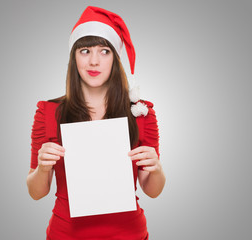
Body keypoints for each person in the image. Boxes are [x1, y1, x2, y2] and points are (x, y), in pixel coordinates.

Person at [26, 6, 166, 240]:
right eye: (85, 51)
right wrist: (42, 167)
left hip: (129, 234)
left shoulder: (141, 114)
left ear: (115, 57)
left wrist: (157, 169)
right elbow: (36, 193)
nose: (93, 61)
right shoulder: (48, 113)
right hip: (66, 234)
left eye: (104, 51)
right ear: (74, 56)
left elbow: (152, 190)